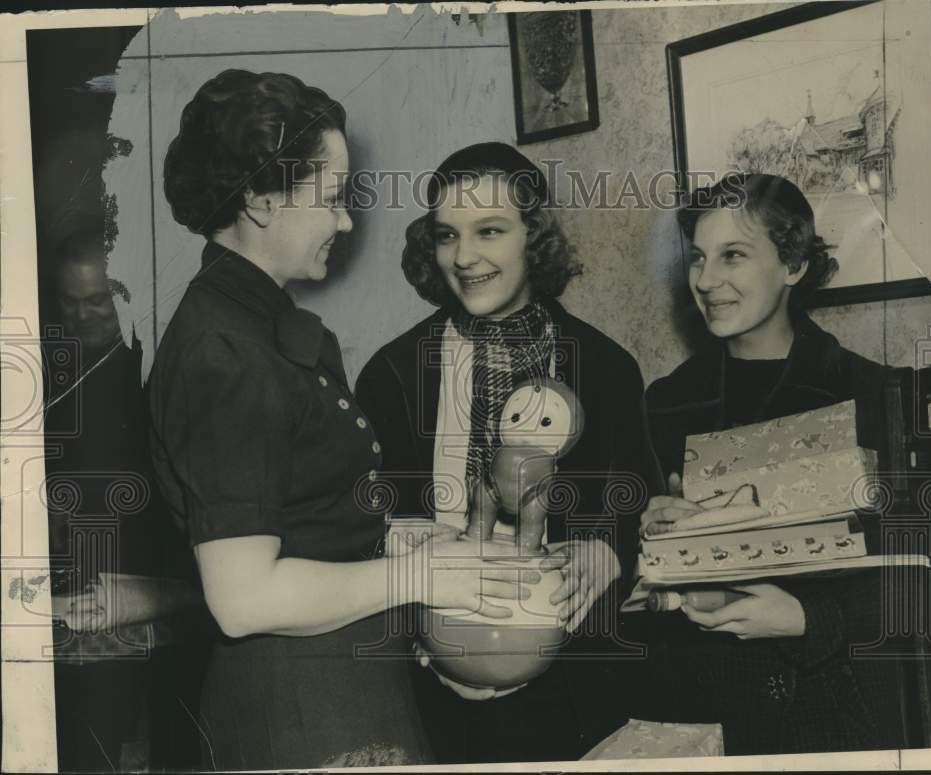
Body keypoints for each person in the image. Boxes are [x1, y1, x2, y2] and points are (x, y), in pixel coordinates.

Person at [148, 71, 529, 770]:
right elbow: (242, 597)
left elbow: (305, 513)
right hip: (299, 708)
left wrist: (410, 537)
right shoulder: (224, 352)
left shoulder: (261, 326)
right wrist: (423, 578)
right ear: (262, 201)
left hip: (345, 680)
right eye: (330, 200)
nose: (346, 221)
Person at [355, 142, 661, 763]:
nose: (464, 257)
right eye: (447, 236)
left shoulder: (607, 369)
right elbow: (360, 524)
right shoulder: (389, 374)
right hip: (422, 694)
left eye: (489, 231)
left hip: (571, 695)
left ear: (535, 236)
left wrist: (610, 549)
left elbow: (638, 509)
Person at [636, 173, 906, 754]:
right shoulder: (665, 403)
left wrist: (810, 616)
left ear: (793, 265)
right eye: (699, 259)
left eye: (733, 255)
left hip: (836, 715)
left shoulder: (875, 395)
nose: (706, 281)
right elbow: (638, 589)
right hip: (707, 718)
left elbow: (923, 579)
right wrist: (651, 536)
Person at [43, 229, 206, 772]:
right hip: (82, 593)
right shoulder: (49, 371)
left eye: (97, 302)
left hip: (163, 583)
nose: (83, 316)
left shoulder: (156, 360)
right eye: (70, 302)